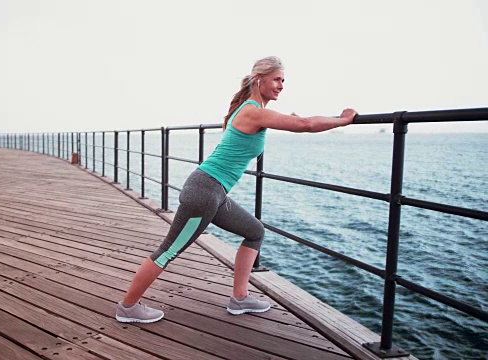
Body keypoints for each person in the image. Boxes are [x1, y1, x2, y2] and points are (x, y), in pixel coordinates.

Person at [115, 56, 357, 323]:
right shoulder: (252, 111)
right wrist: (342, 120)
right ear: (259, 79)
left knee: (254, 232)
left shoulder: (252, 110)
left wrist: (292, 120)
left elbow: (293, 122)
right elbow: (306, 126)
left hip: (214, 193)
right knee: (169, 250)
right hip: (204, 192)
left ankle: (240, 299)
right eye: (277, 79)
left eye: (283, 80)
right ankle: (128, 307)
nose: (281, 85)